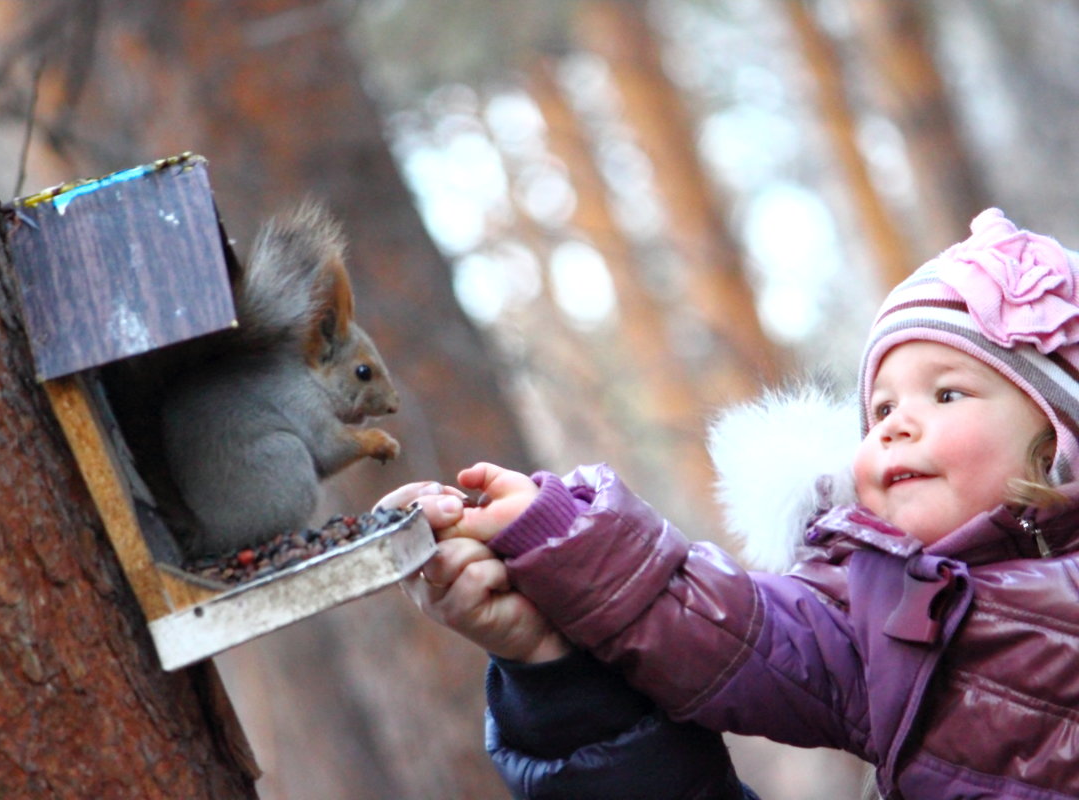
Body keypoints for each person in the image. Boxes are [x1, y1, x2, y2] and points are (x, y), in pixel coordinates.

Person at [383, 208, 1079, 799]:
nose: (893, 424)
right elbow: (739, 632)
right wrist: (561, 531)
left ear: (1059, 441)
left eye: (947, 393)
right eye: (882, 405)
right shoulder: (884, 607)